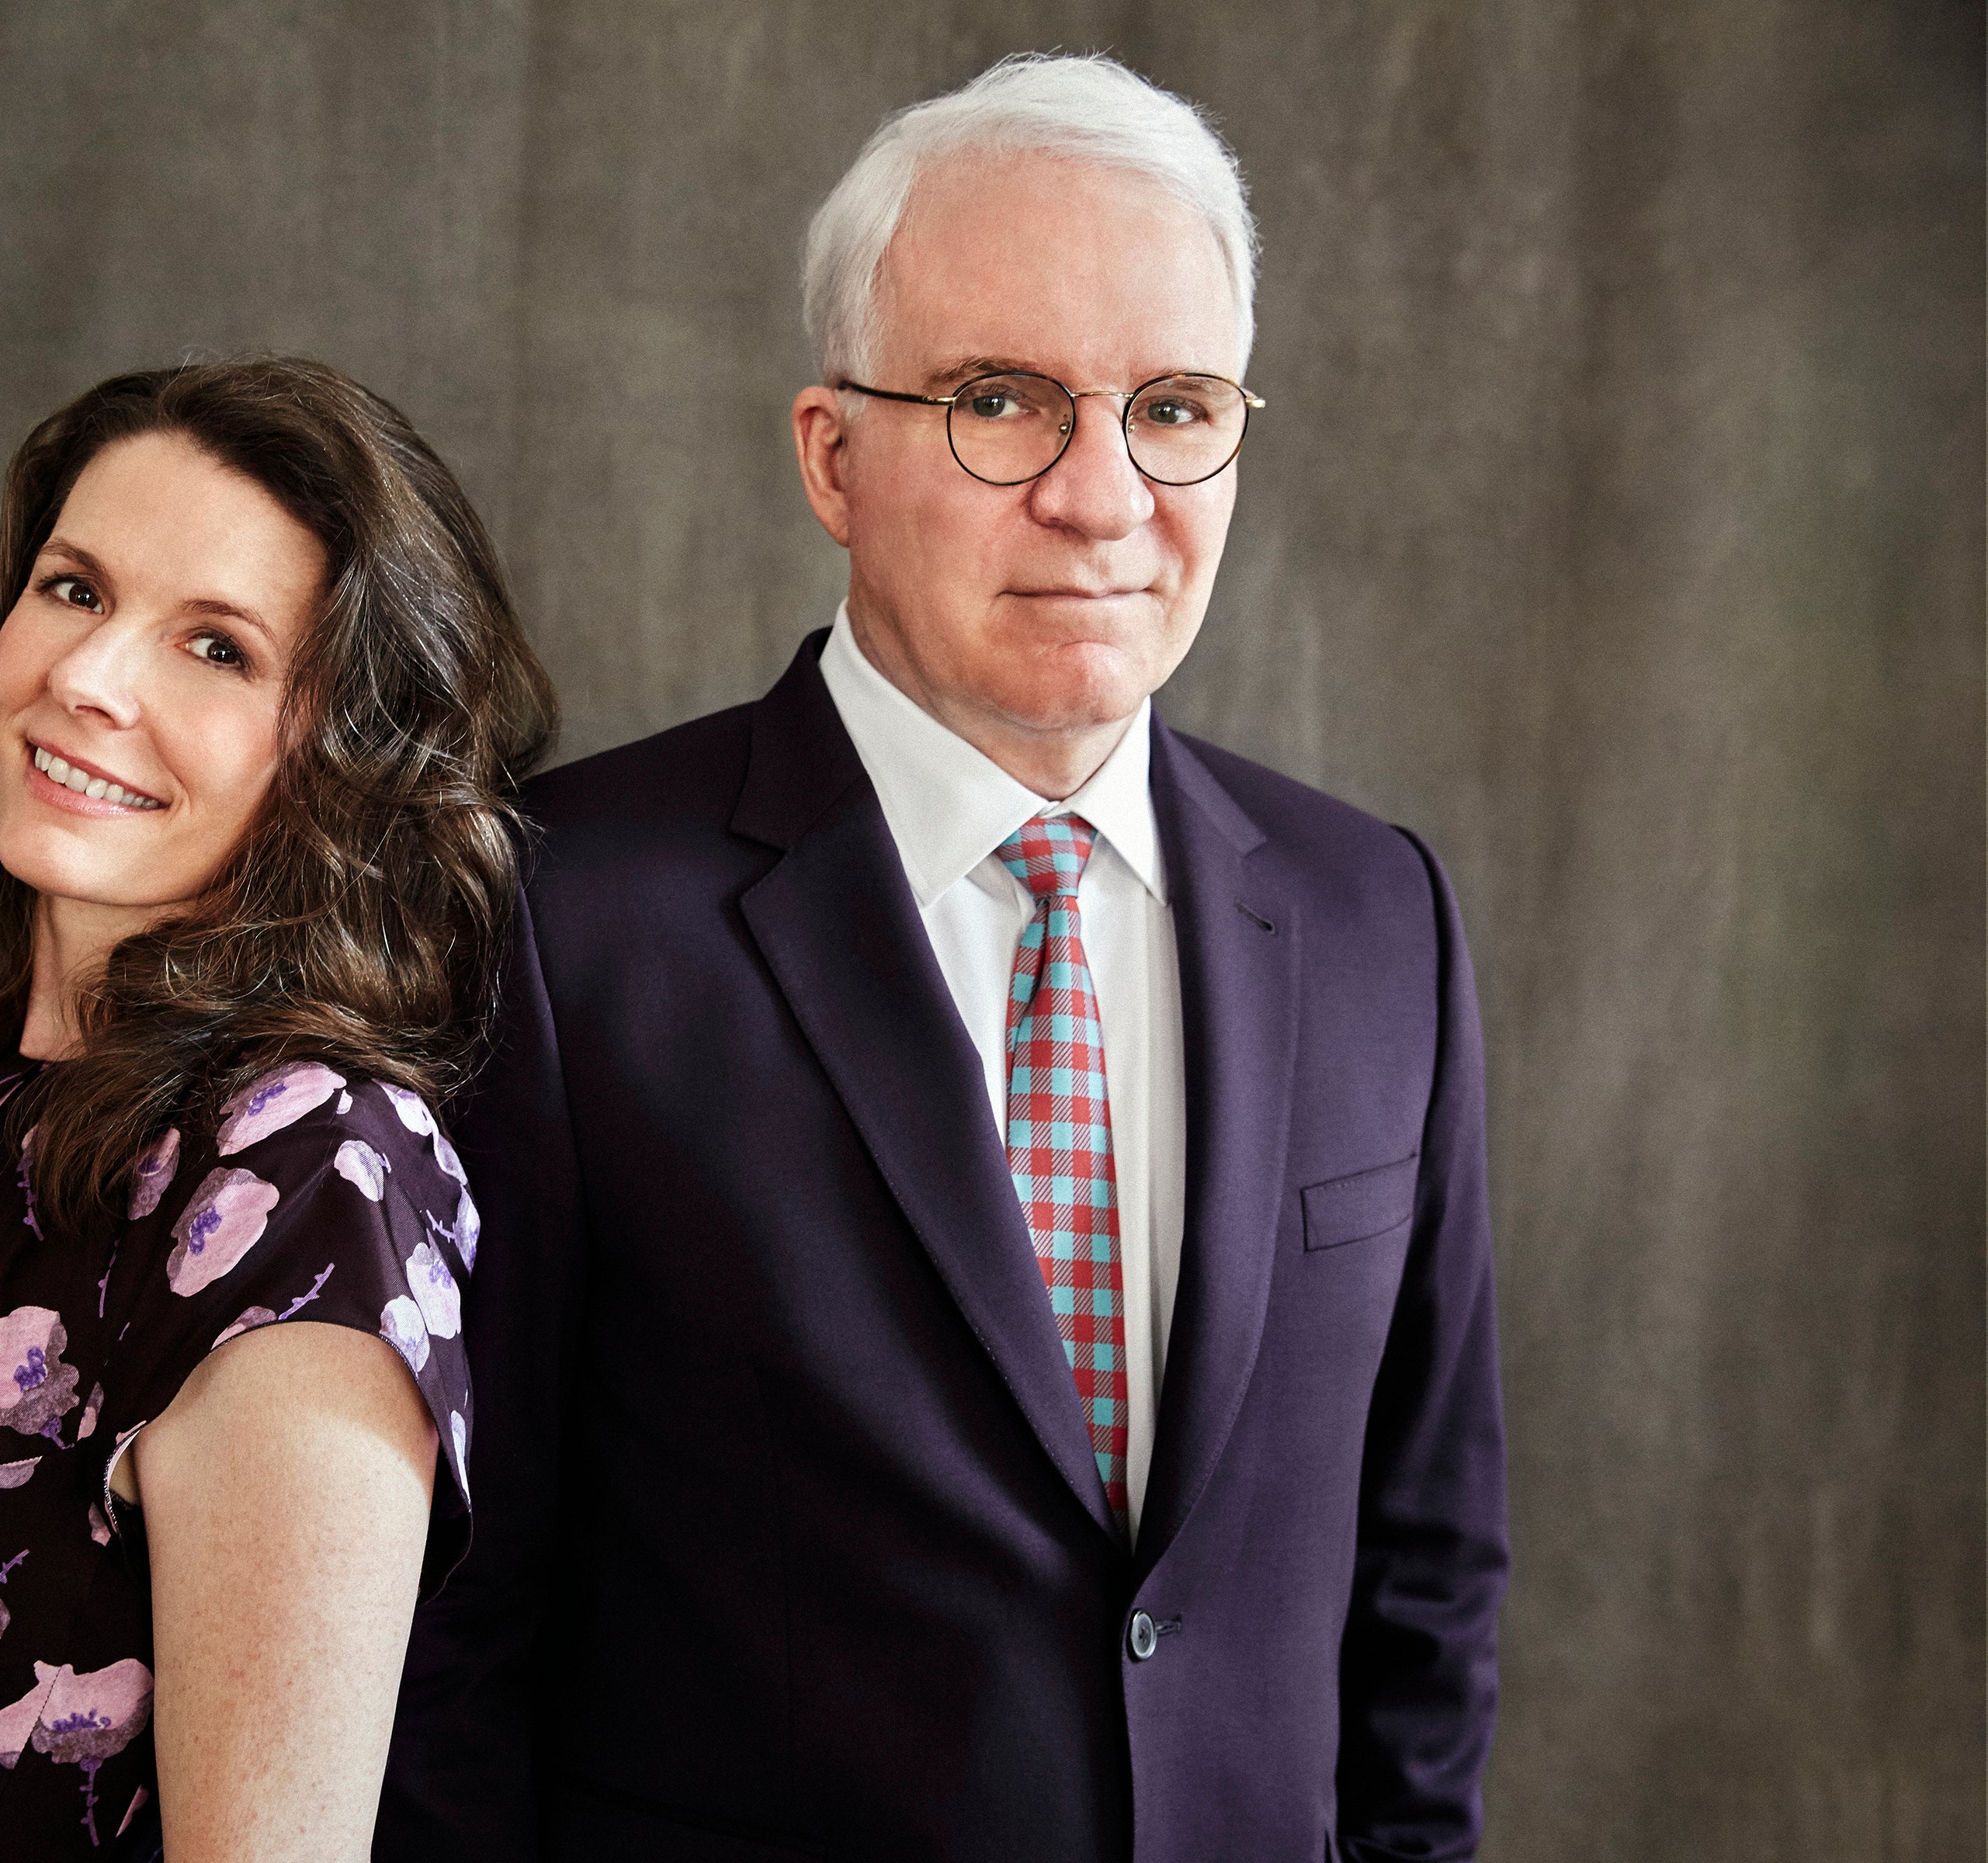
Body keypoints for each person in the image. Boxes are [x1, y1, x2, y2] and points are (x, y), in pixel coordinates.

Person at [380, 53, 1507, 1863]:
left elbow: (1426, 1584)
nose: (1101, 492)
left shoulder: (1379, 916)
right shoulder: (562, 915)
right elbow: (448, 1635)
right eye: (1001, 401)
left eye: (1175, 405)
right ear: (832, 454)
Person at [0, 357, 555, 1863]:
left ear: (347, 761)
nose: (87, 678)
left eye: (216, 646)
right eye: (75, 589)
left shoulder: (307, 1184)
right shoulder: (5, 1120)